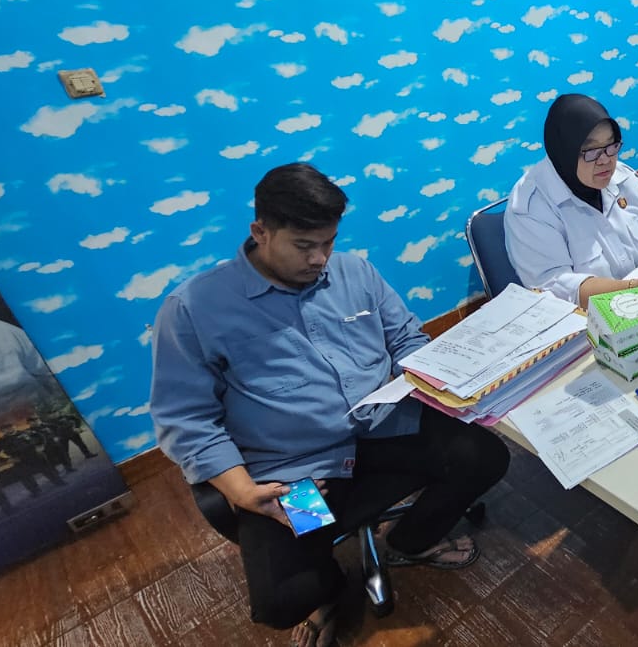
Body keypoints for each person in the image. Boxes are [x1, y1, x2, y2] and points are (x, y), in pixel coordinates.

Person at [151, 163, 510, 647]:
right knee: (285, 598)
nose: (320, 258)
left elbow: (406, 339)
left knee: (486, 455)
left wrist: (443, 375)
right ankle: (333, 591)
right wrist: (241, 491)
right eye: (304, 245)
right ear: (260, 232)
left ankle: (408, 542)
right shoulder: (195, 308)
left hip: (384, 428)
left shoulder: (354, 271)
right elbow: (185, 418)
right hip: (298, 470)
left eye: (329, 242)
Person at [506, 94, 638, 305]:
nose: (605, 160)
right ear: (565, 151)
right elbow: (555, 289)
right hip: (587, 317)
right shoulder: (532, 206)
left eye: (611, 146)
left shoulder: (623, 178)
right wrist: (636, 290)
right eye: (591, 151)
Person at [0, 423, 62, 494]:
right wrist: (7, 460)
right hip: (19, 459)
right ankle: (36, 492)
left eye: (11, 427)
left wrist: (41, 446)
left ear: (14, 427)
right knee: (25, 477)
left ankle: (59, 482)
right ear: (3, 431)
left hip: (35, 455)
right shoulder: (2, 441)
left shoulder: (25, 432)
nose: (9, 429)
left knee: (48, 470)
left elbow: (41, 436)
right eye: (6, 429)